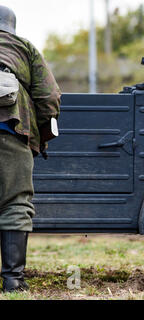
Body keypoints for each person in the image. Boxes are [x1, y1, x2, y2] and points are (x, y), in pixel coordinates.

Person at [0, 5, 61, 292]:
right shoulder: (24, 47)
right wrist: (43, 135)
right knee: (15, 203)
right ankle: (12, 280)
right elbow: (49, 96)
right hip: (11, 134)